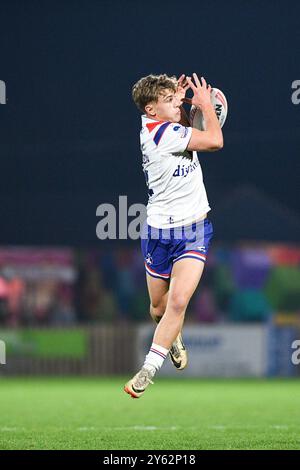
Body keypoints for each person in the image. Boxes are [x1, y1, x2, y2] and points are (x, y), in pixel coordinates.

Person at [124, 72, 223, 398]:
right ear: (151, 111)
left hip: (194, 229)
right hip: (158, 232)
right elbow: (215, 141)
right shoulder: (163, 134)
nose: (178, 102)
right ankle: (173, 336)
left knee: (178, 303)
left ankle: (147, 371)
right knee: (158, 309)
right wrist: (207, 107)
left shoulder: (158, 123)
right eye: (169, 100)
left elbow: (181, 120)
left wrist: (176, 99)